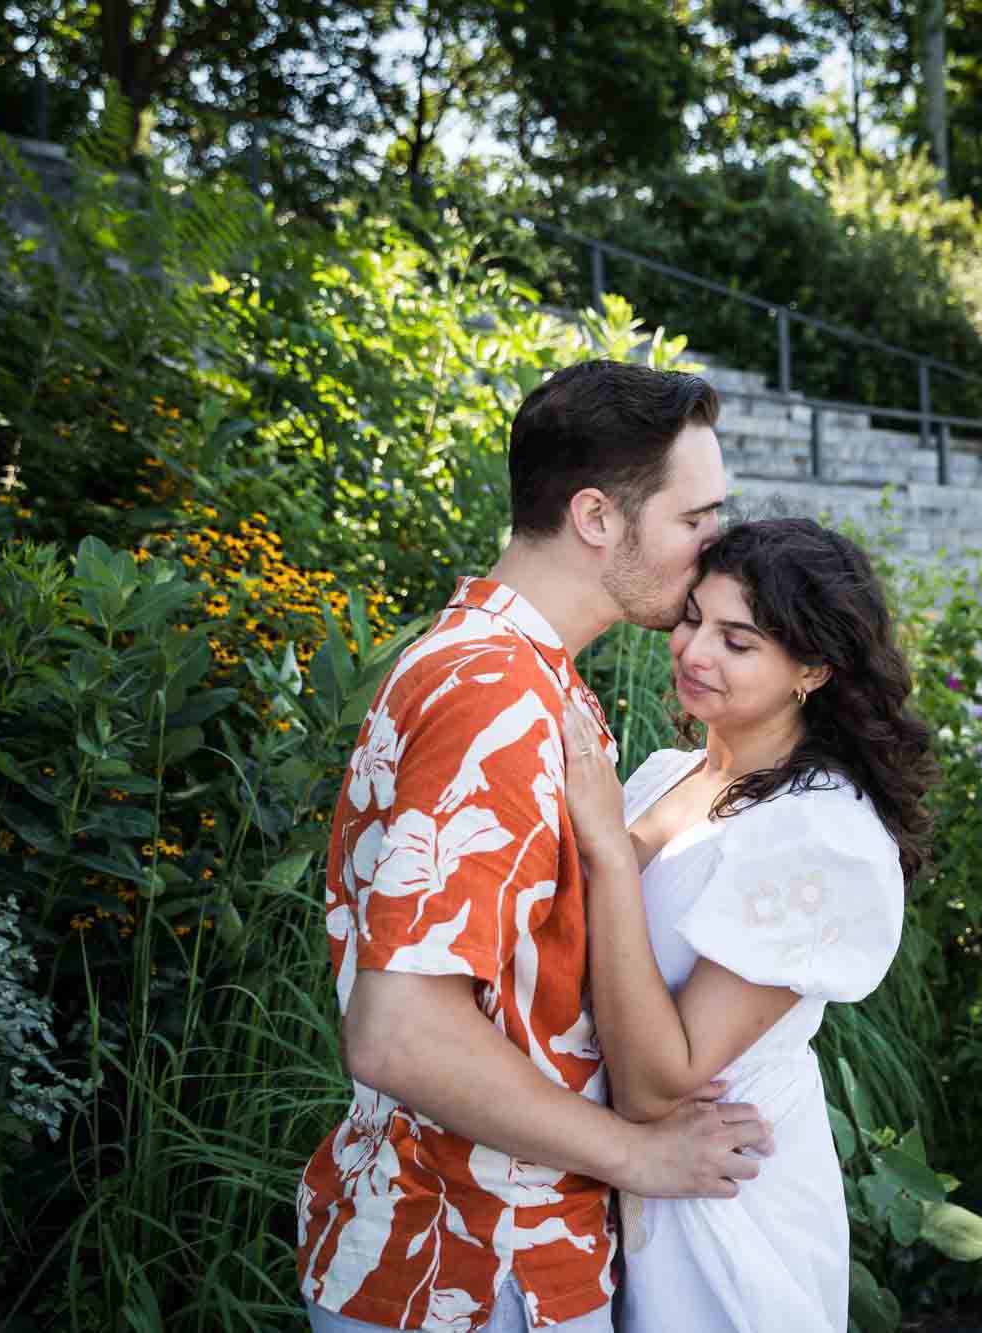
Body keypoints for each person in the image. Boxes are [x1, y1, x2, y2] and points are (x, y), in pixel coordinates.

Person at [297, 360, 774, 1333]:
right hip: (464, 1277)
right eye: (694, 521)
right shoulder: (492, 696)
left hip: (503, 1265)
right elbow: (399, 1028)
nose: (716, 548)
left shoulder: (526, 676)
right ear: (597, 517)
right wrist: (639, 1156)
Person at [557, 516, 938, 1333]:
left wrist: (610, 855)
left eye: (738, 640)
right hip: (616, 1177)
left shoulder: (819, 836)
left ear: (812, 668)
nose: (695, 651)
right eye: (692, 618)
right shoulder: (666, 773)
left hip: (727, 1196)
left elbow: (666, 1076)